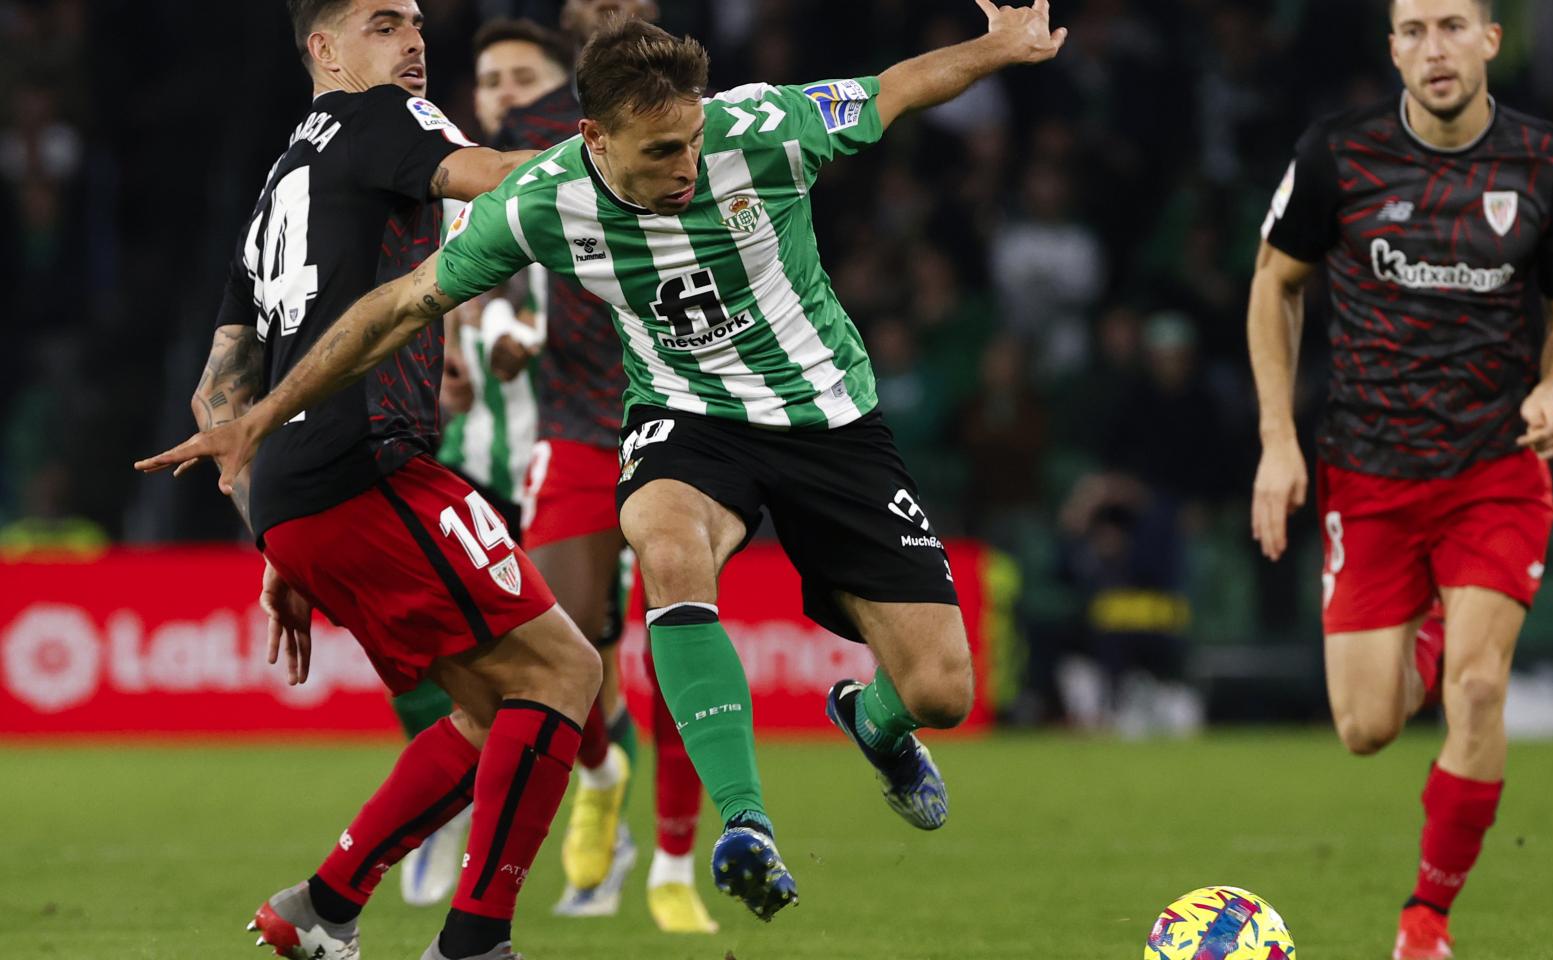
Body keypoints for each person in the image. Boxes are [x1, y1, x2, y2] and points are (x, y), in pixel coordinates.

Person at [138, 2, 1067, 923]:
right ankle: (742, 826)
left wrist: (1000, 46)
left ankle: (873, 721)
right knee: (662, 545)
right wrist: (263, 415)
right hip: (684, 416)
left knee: (941, 692)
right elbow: (399, 307)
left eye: (692, 141)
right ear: (594, 137)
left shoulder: (766, 127)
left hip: (829, 419)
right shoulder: (544, 199)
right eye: (659, 151)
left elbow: (896, 89)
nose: (685, 167)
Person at [145, 2, 605, 958]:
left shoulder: (281, 180)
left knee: (492, 710)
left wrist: (274, 533)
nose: (414, 42)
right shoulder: (387, 118)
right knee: (566, 671)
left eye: (417, 25)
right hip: (369, 462)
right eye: (384, 23)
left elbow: (217, 393)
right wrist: (616, 159)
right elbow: (498, 180)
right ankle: (474, 942)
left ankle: (323, 906)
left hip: (305, 494)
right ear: (325, 49)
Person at [1246, 1, 1553, 957]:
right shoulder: (1337, 156)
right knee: (1366, 727)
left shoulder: (1548, 165)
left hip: (1495, 469)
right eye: (1412, 31)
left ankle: (1424, 923)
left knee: (1480, 694)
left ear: (1492, 39)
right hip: (1367, 474)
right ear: (1391, 47)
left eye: (1452, 26)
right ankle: (1440, 629)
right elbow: (1275, 283)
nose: (1432, 49)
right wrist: (1279, 443)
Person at [427, 12, 721, 932]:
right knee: (557, 652)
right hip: (578, 420)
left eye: (523, 78)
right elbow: (504, 267)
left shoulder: (689, 127)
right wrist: (495, 330)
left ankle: (674, 864)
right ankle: (599, 771)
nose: (507, 94)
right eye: (494, 78)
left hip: (685, 416)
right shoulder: (523, 153)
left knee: (677, 644)